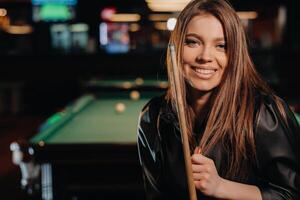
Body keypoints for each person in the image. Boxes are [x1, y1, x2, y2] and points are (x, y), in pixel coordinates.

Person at [137, 0, 300, 199]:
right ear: (177, 48)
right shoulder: (153, 117)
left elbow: (291, 194)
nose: (205, 56)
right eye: (193, 42)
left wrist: (220, 186)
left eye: (221, 45)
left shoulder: (263, 114)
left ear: (235, 55)